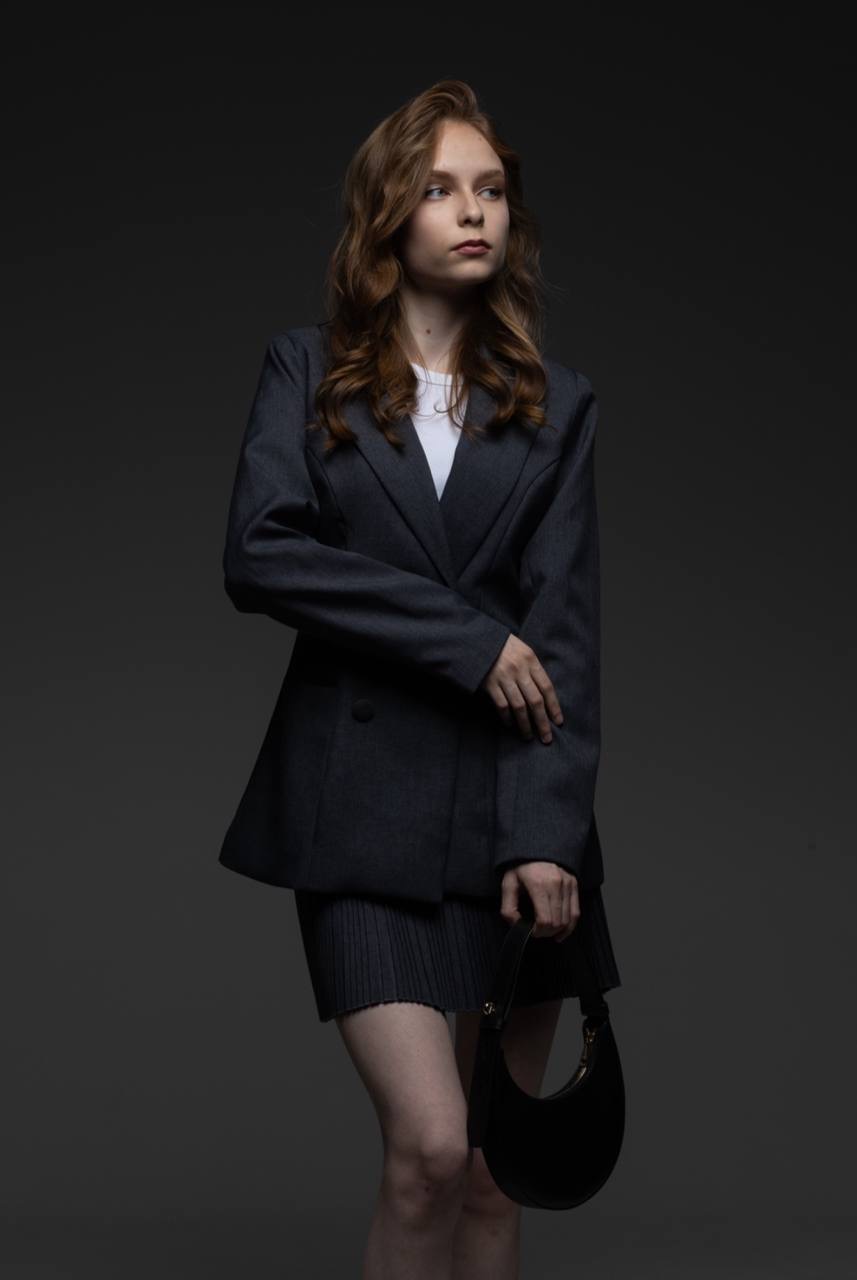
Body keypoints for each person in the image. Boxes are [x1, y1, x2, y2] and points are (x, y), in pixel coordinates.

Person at [219, 78, 622, 1280]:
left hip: (514, 820)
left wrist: (545, 833)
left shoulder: (556, 408)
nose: (472, 210)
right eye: (440, 188)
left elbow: (564, 637)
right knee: (429, 1152)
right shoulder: (305, 371)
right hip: (357, 816)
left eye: (490, 189)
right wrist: (467, 640)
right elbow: (261, 552)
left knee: (494, 1171)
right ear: (387, 214)